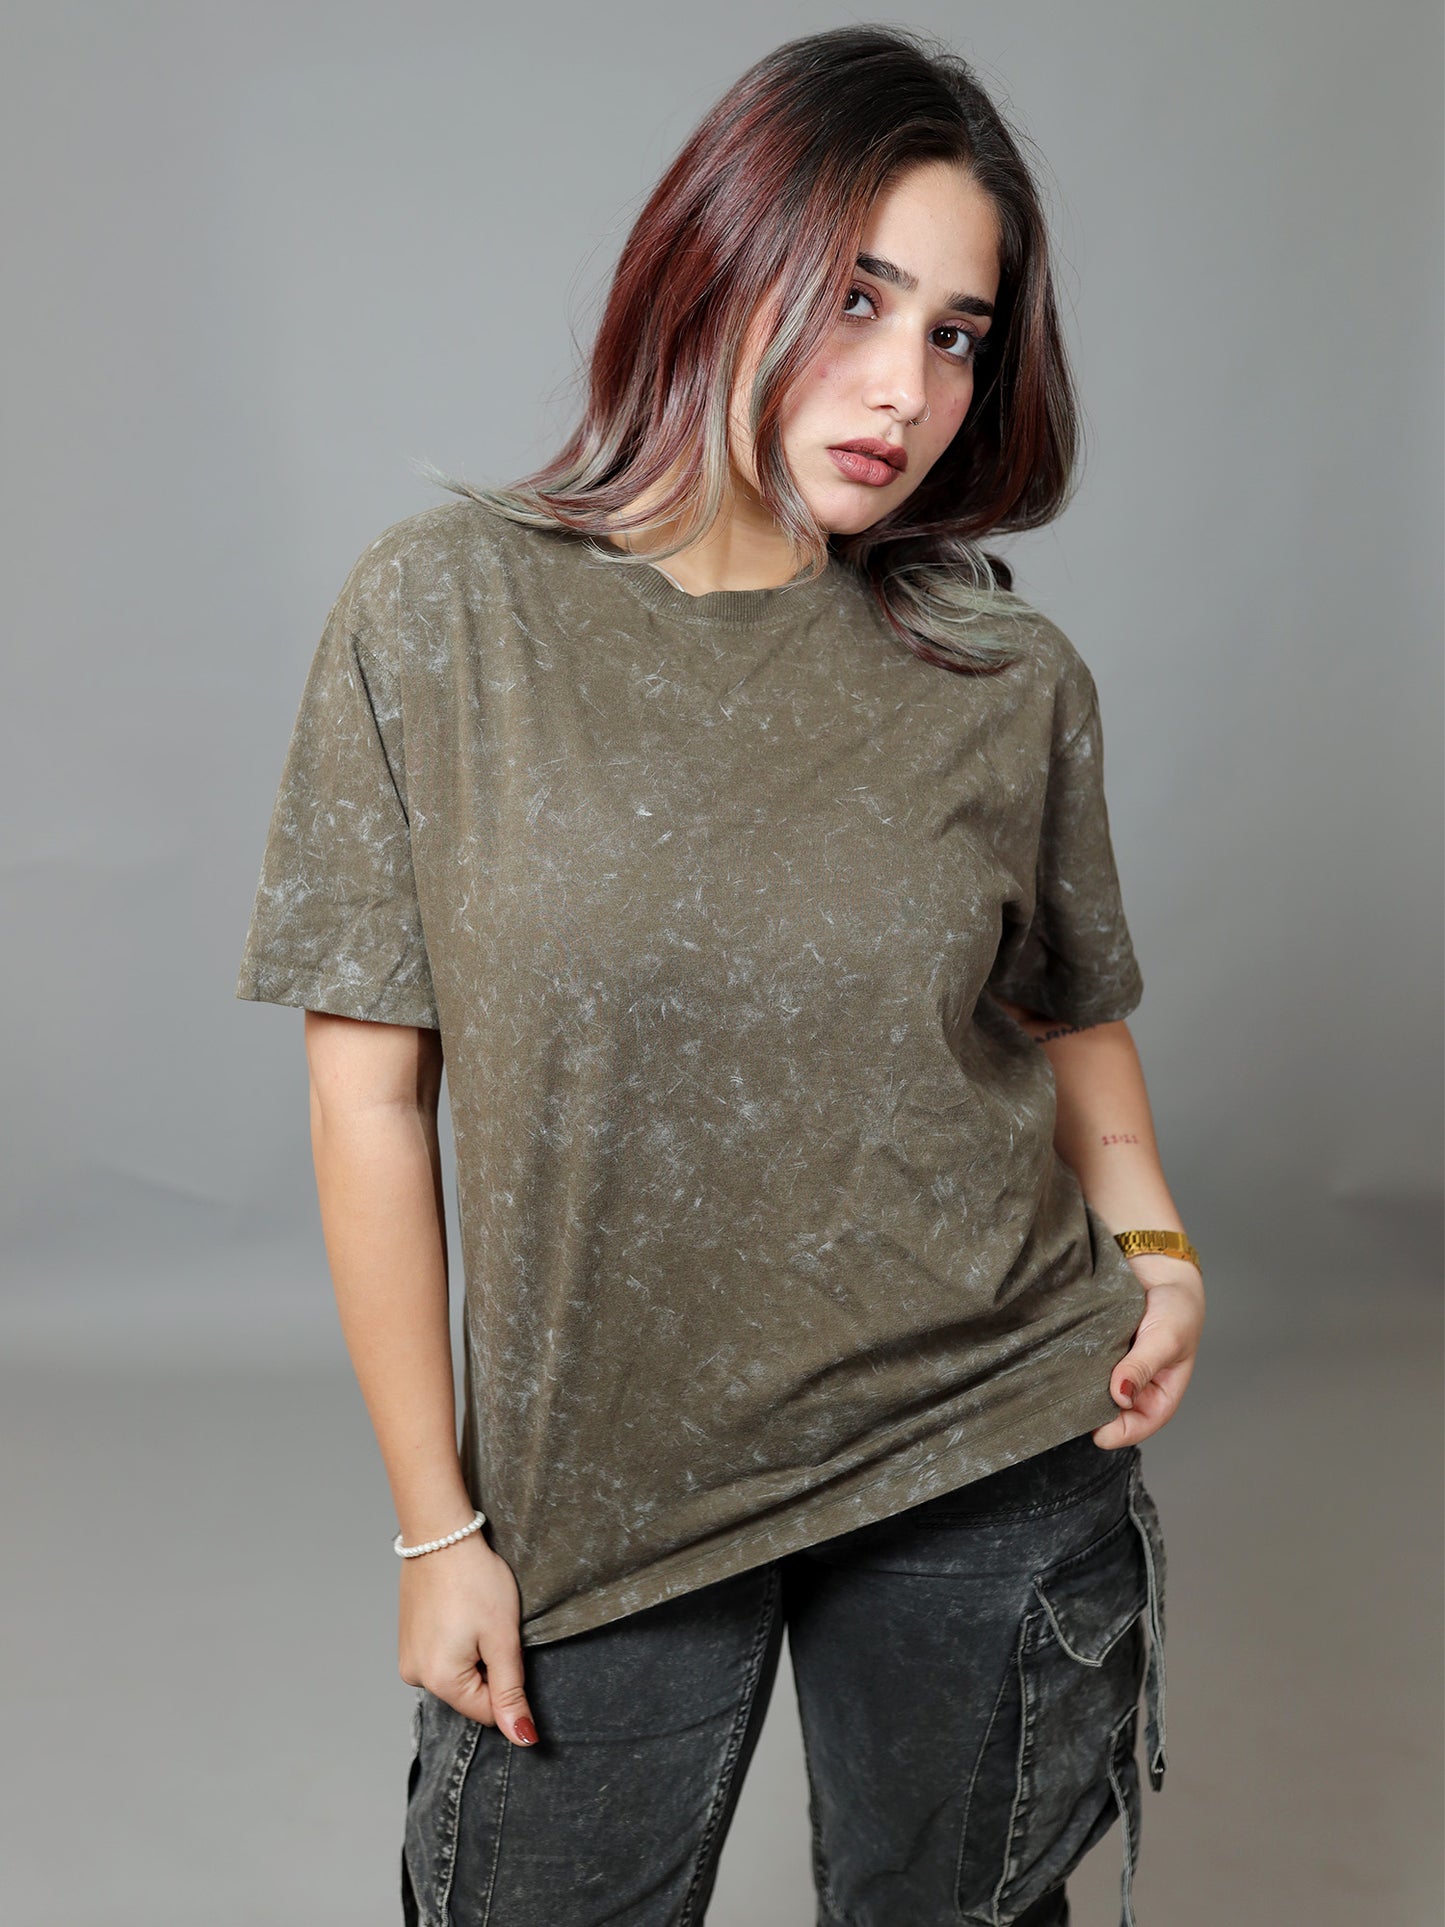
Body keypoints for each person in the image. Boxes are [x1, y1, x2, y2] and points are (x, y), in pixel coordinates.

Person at [234, 24, 1204, 1926]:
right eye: (856, 297)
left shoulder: (1000, 673)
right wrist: (435, 1525)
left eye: (956, 333)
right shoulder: (443, 613)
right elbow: (368, 1102)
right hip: (599, 1497)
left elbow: (1065, 1010)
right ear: (716, 257)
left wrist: (1156, 1251)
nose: (906, 386)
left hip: (987, 1439)